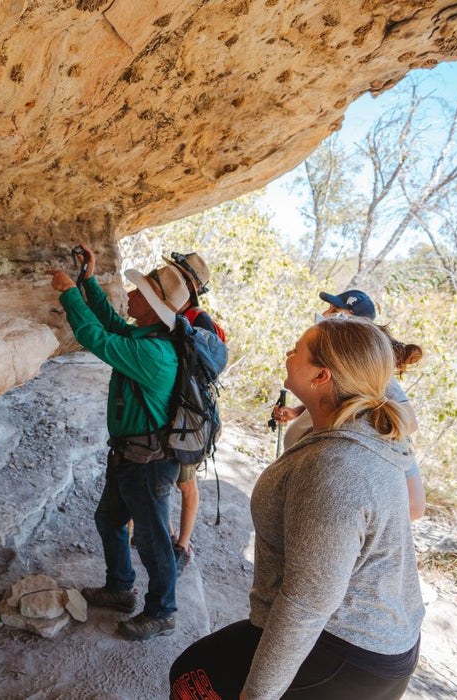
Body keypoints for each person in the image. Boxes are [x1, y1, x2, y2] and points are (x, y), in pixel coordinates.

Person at [170, 316, 425, 699]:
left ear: (322, 377)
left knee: (192, 678)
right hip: (380, 636)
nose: (288, 354)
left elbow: (307, 603)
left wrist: (257, 694)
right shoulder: (357, 424)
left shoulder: (335, 469)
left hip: (350, 649)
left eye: (297, 350)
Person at [47, 245, 191, 641]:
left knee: (152, 539)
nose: (131, 294)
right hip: (131, 457)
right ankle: (120, 589)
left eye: (139, 290)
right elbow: (111, 322)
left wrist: (68, 294)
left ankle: (163, 612)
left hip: (149, 463)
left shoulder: (155, 353)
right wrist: (88, 281)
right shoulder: (147, 334)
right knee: (109, 521)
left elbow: (97, 338)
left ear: (153, 305)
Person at [271, 289, 426, 520]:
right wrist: (297, 412)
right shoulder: (343, 368)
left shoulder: (370, 369)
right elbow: (340, 399)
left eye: (335, 311)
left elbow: (407, 421)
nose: (325, 314)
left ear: (354, 322)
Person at [164, 252, 224, 575]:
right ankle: (170, 533)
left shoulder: (198, 319)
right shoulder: (178, 311)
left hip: (189, 415)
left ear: (188, 284)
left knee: (185, 483)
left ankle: (182, 545)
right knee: (168, 476)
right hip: (175, 410)